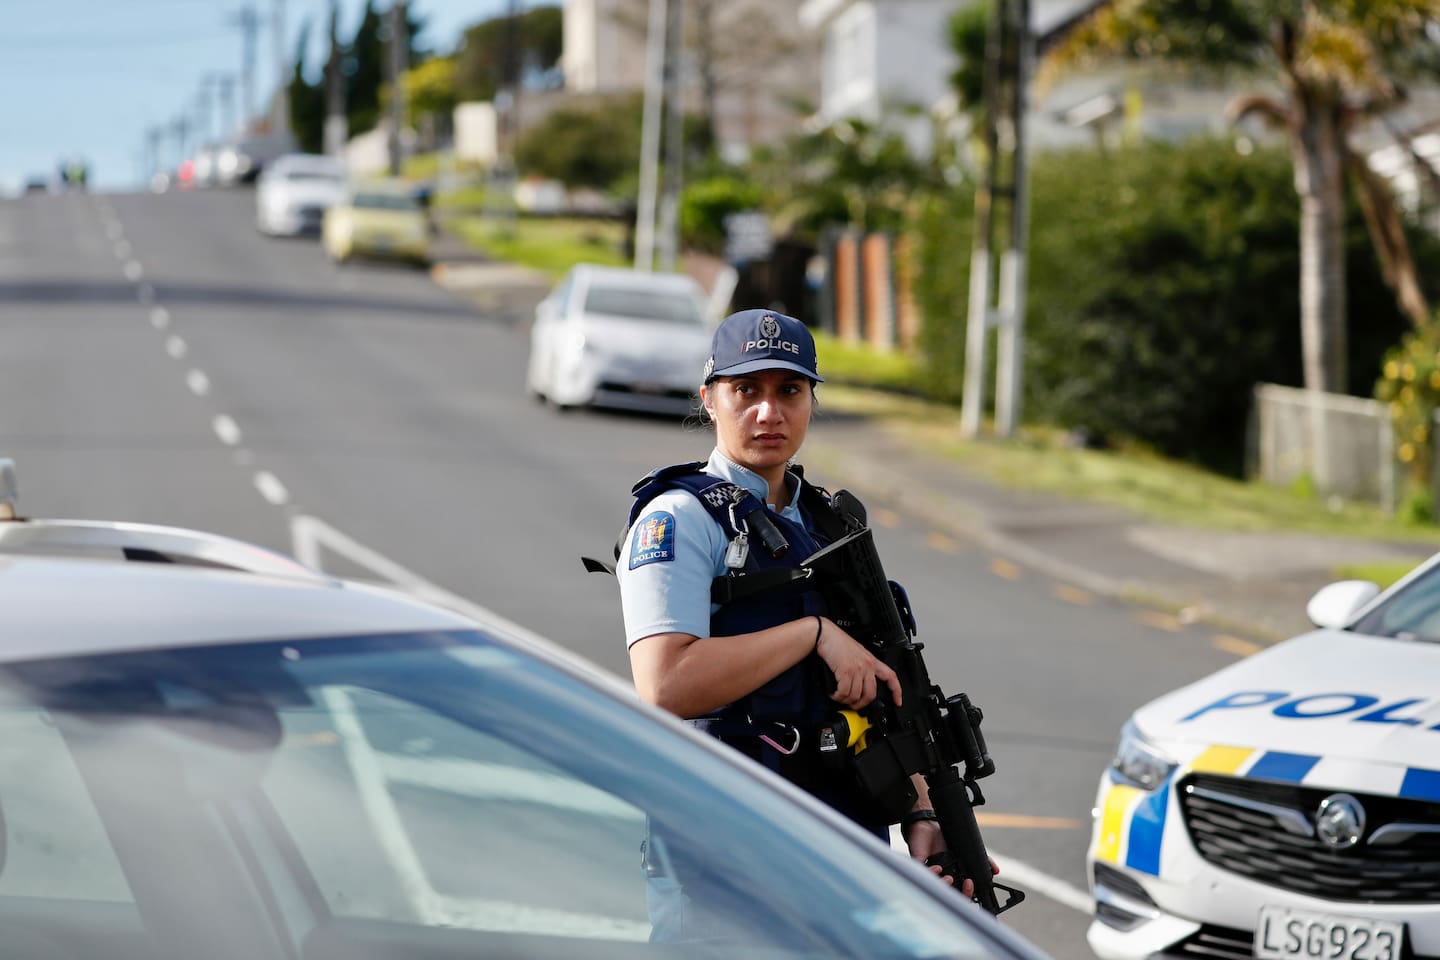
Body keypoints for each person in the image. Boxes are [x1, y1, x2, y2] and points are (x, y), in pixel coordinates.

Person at [615, 308, 995, 939]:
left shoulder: (828, 524)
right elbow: (665, 684)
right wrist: (813, 634)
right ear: (709, 399)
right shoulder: (680, 519)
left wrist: (923, 810)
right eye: (747, 391)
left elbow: (889, 691)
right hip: (727, 847)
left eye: (789, 391)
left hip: (844, 841)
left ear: (812, 401)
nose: (769, 413)